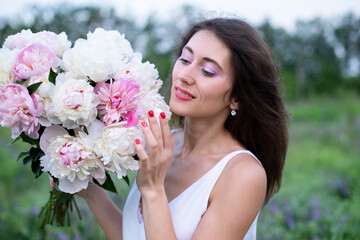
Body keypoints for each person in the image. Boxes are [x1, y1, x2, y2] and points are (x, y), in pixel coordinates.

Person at [78, 17, 289, 240]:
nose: (184, 76)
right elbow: (133, 235)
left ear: (236, 97)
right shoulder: (161, 145)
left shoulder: (243, 175)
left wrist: (153, 191)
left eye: (207, 71)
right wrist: (91, 192)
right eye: (186, 59)